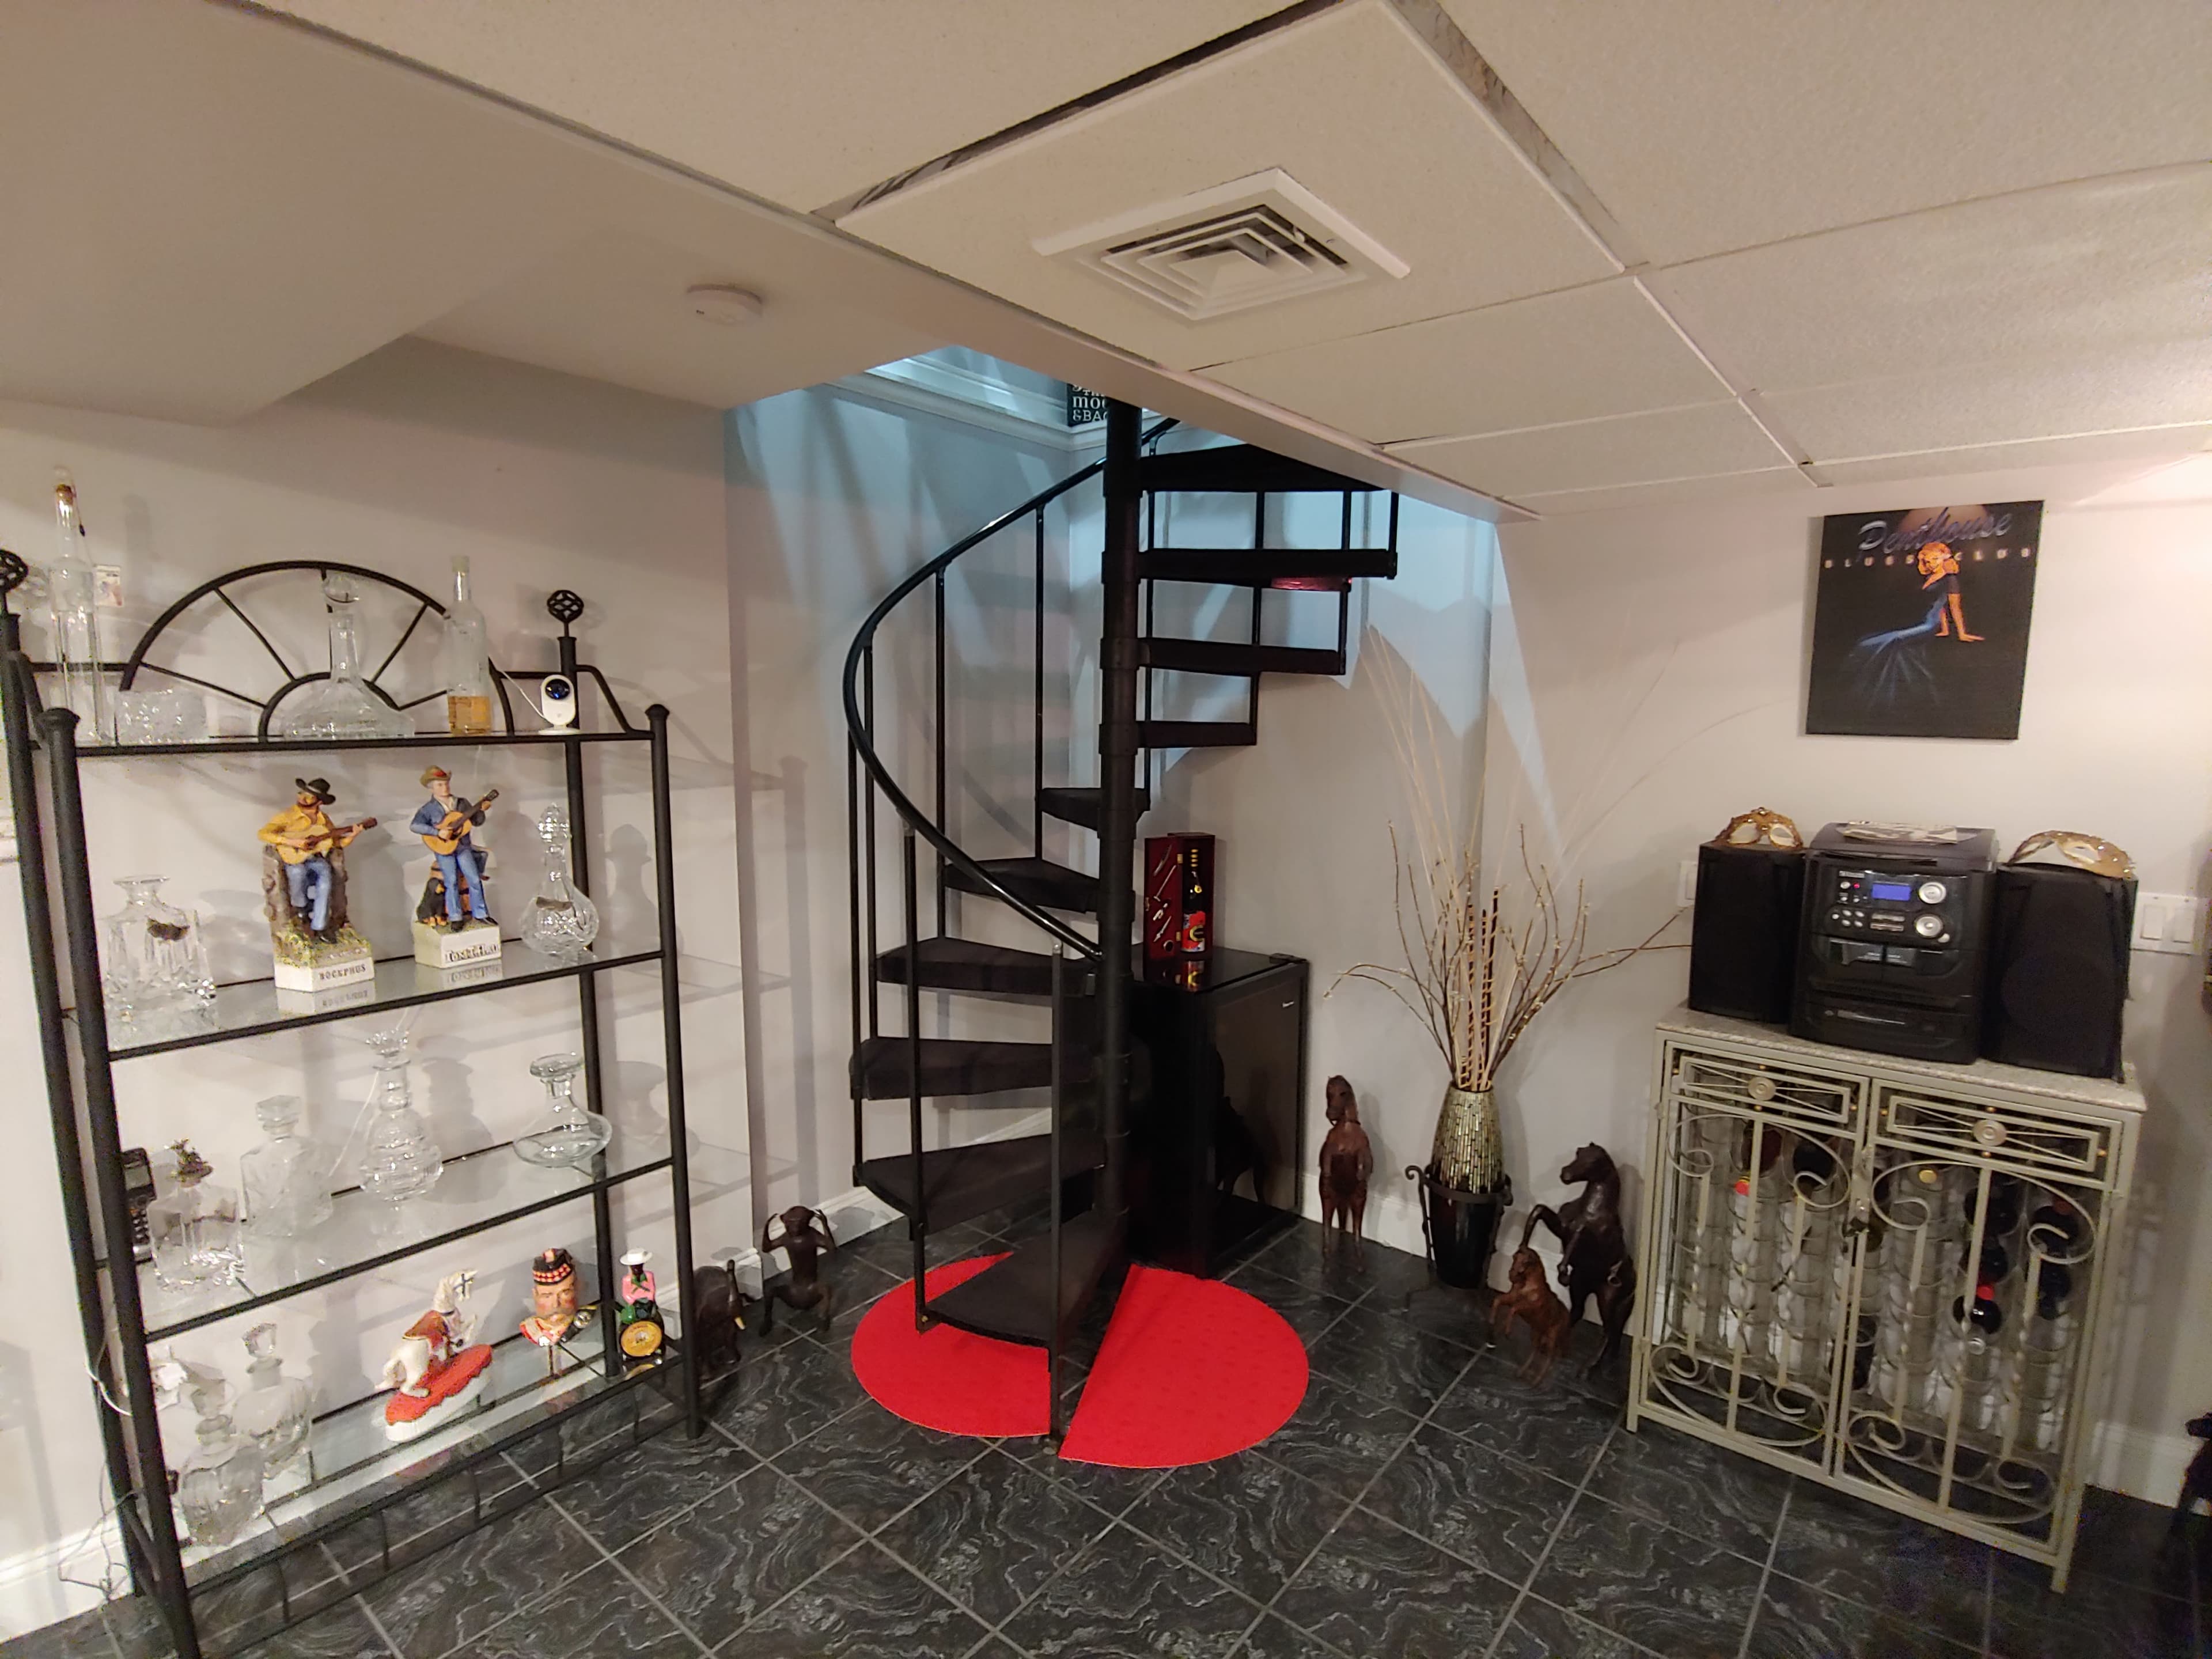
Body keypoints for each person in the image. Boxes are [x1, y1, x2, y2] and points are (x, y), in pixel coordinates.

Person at [257, 778, 369, 941]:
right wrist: (292, 842)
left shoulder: (324, 820)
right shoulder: (287, 816)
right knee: (297, 872)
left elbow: (336, 843)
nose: (303, 798)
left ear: (319, 801)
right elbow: (263, 834)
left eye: (309, 796)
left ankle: (320, 926)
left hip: (315, 859)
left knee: (325, 881)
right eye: (301, 793)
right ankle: (301, 908)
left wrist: (353, 835)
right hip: (294, 858)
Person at [408, 767, 494, 928]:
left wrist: (481, 810)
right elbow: (415, 826)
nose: (445, 788)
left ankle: (481, 913)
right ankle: (455, 917)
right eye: (440, 785)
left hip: (463, 847)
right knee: (451, 881)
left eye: (446, 784)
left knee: (474, 878)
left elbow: (476, 821)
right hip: (444, 850)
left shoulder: (462, 803)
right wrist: (438, 832)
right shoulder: (428, 809)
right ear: (431, 788)